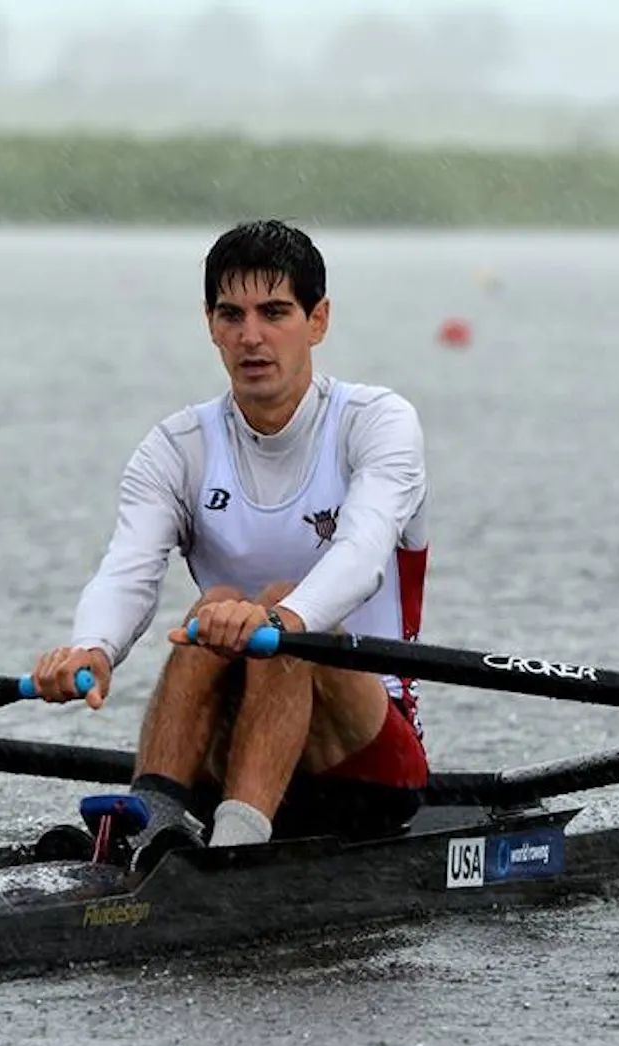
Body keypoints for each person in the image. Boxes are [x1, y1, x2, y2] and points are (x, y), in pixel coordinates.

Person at [32, 219, 430, 868]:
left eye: (275, 312)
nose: (251, 336)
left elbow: (360, 557)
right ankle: (154, 817)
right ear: (210, 324)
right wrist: (92, 648)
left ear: (318, 319)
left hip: (366, 765)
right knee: (210, 610)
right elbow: (127, 570)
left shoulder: (377, 424)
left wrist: (278, 616)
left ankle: (234, 854)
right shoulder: (177, 447)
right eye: (231, 314)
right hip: (241, 748)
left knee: (271, 607)